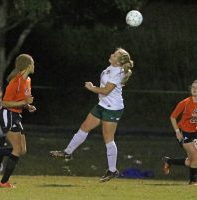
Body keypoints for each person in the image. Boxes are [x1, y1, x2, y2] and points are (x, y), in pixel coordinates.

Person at [50, 48, 134, 182]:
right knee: (84, 127)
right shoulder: (111, 67)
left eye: (115, 55)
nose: (111, 54)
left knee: (108, 139)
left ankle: (112, 170)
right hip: (102, 105)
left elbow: (106, 91)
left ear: (118, 62)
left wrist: (92, 87)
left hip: (112, 108)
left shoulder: (117, 72)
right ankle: (67, 152)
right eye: (113, 53)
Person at [0, 54, 36, 188]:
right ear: (28, 66)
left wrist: (28, 106)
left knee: (22, 150)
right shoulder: (15, 82)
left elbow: (21, 100)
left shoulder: (27, 80)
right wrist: (24, 102)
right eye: (33, 64)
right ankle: (3, 182)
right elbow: (4, 103)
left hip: (16, 115)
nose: (34, 66)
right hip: (7, 114)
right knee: (17, 149)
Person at [163, 80, 197, 185]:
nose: (194, 89)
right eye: (193, 87)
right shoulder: (185, 103)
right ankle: (193, 182)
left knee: (190, 160)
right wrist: (177, 132)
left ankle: (169, 161)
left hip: (194, 133)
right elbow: (172, 117)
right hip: (183, 132)